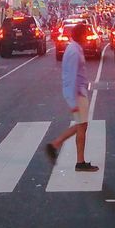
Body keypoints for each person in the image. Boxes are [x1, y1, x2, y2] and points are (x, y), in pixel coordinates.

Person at [44, 23, 98, 172]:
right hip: (78, 94)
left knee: (82, 125)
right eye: (86, 34)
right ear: (81, 35)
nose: (88, 37)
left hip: (79, 92)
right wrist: (73, 100)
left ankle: (56, 144)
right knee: (82, 126)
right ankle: (79, 161)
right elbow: (72, 76)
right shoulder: (74, 51)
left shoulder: (74, 48)